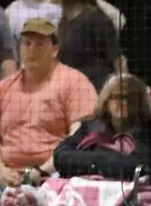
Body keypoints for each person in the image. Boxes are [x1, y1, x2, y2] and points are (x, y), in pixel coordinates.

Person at [0, 18, 96, 189]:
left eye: (40, 44)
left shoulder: (75, 82)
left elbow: (81, 136)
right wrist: (2, 171)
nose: (32, 49)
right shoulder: (5, 87)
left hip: (55, 177)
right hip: (7, 175)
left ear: (55, 50)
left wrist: (41, 171)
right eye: (27, 43)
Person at [51, 73, 151, 205]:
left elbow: (139, 167)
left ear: (140, 102)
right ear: (106, 101)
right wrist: (106, 161)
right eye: (118, 97)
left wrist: (90, 161)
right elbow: (61, 157)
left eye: (131, 97)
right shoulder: (90, 128)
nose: (125, 103)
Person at [50, 0, 122, 92]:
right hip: (71, 91)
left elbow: (117, 59)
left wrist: (124, 91)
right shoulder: (64, 22)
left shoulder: (96, 19)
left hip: (94, 91)